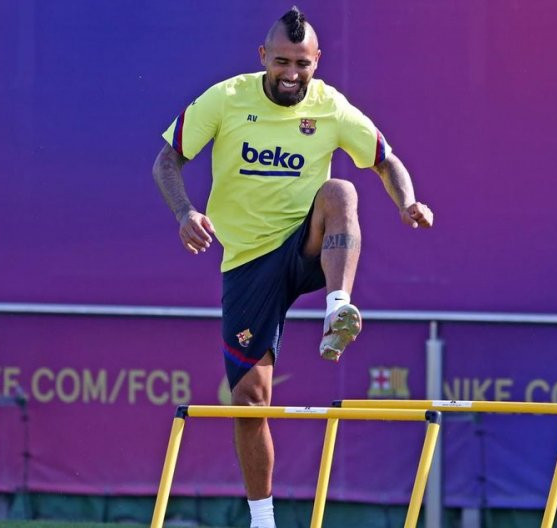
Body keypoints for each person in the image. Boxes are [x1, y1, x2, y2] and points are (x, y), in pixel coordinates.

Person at [152, 7, 433, 528]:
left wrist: (406, 202)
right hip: (249, 264)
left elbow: (385, 159)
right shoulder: (227, 97)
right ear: (263, 57)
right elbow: (167, 160)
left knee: (341, 190)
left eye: (302, 64)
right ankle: (263, 520)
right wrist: (185, 211)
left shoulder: (331, 107)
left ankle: (337, 308)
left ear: (317, 61)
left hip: (307, 245)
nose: (291, 74)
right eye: (281, 61)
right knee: (248, 398)